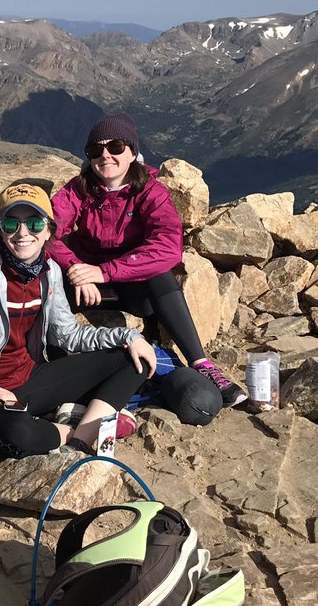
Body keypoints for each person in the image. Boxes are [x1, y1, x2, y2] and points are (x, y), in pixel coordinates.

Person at [0, 183, 157, 458]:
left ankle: (80, 437)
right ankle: (77, 428)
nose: (22, 233)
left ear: (49, 231)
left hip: (31, 379)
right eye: (10, 223)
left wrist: (128, 337)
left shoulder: (50, 270)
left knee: (135, 360)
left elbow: (68, 335)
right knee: (17, 436)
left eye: (34, 223)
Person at [48, 113, 247, 407]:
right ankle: (49, 375)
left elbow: (167, 248)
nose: (105, 156)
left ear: (132, 152)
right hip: (84, 284)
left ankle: (202, 365)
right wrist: (75, 268)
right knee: (45, 278)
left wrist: (104, 272)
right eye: (95, 151)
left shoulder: (151, 191)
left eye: (115, 147)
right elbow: (45, 231)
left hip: (132, 287)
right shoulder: (79, 188)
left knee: (161, 277)